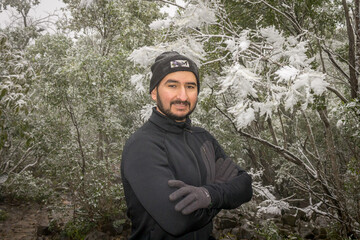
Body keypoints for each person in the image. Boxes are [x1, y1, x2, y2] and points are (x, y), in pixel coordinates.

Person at [121, 51, 253, 240]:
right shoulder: (142, 145)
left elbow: (245, 185)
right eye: (172, 85)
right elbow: (178, 221)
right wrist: (221, 190)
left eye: (190, 86)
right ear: (153, 92)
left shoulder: (203, 138)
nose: (182, 96)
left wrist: (209, 195)